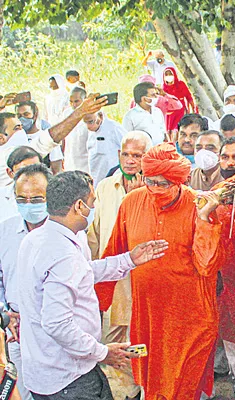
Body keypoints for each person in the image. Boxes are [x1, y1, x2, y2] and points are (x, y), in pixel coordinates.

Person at [17, 170, 167, 399]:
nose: (94, 207)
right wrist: (102, 352)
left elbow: (83, 272)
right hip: (67, 377)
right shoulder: (61, 253)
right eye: (92, 202)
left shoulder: (40, 238)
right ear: (79, 206)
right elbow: (57, 323)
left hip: (57, 368)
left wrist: (129, 260)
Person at [96, 143, 224, 399]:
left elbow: (207, 264)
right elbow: (113, 253)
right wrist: (97, 302)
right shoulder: (132, 202)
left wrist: (204, 220)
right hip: (148, 316)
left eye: (163, 183)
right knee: (150, 379)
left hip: (190, 317)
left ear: (178, 181)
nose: (155, 189)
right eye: (150, 181)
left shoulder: (197, 204)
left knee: (183, 384)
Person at [86, 131, 152, 398]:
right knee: (112, 344)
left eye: (137, 156)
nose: (130, 161)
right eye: (126, 154)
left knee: (142, 344)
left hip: (142, 286)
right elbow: (95, 235)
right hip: (111, 284)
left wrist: (136, 201)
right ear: (118, 155)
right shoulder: (105, 187)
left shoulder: (154, 190)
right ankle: (124, 392)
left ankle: (142, 389)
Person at [0, 163, 51, 400]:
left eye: (37, 199)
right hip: (16, 331)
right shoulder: (5, 232)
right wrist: (5, 314)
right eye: (22, 199)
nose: (29, 205)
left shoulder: (65, 232)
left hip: (53, 332)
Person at [0, 94, 108, 186]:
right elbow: (49, 138)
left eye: (21, 126)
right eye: (16, 128)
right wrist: (80, 112)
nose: (22, 129)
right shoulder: (7, 156)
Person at [15, 101, 63, 173]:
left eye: (26, 114)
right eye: (19, 115)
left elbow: (56, 167)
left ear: (35, 115)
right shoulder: (15, 138)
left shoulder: (47, 137)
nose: (22, 118)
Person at [0, 147, 43, 222]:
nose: (30, 175)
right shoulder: (2, 197)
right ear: (10, 173)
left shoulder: (53, 195)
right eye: (23, 171)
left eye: (36, 169)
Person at [82, 111, 126, 185]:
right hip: (96, 176)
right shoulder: (90, 132)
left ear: (100, 116)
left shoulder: (114, 128)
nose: (88, 126)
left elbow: (127, 146)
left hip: (112, 175)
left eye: (91, 122)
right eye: (85, 123)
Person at [63, 87, 91, 174]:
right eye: (71, 102)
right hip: (70, 160)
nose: (73, 105)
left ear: (84, 100)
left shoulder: (92, 114)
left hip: (86, 163)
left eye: (76, 101)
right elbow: (64, 136)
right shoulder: (66, 113)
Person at [162, 67, 195, 135]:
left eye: (170, 74)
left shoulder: (180, 84)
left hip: (181, 110)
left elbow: (189, 97)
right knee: (169, 131)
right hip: (170, 113)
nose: (168, 76)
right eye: (166, 75)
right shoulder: (164, 88)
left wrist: (193, 109)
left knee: (179, 129)